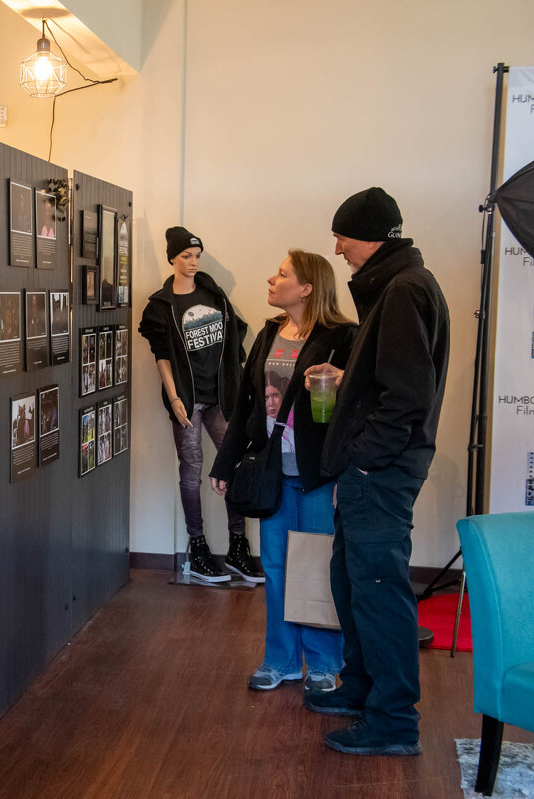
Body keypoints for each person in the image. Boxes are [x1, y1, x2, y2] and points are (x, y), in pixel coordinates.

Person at [302, 187, 450, 757]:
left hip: (380, 471)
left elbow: (408, 397)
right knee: (354, 584)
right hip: (374, 468)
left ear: (369, 236)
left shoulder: (404, 289)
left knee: (381, 592)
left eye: (341, 235)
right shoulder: (395, 287)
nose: (336, 248)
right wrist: (347, 381)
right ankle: (362, 690)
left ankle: (393, 722)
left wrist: (362, 460)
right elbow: (392, 379)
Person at [211, 250, 357, 692]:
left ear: (307, 287)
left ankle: (326, 664)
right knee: (274, 566)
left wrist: (344, 473)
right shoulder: (270, 332)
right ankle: (281, 660)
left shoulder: (342, 335)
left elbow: (356, 407)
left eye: (283, 274)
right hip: (273, 470)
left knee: (315, 566)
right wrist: (225, 460)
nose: (272, 280)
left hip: (318, 474)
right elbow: (247, 406)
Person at [138, 227, 250, 582]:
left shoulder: (212, 293)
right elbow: (162, 355)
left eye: (197, 256)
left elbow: (234, 336)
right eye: (186, 256)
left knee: (232, 465)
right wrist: (174, 398)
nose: (192, 262)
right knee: (191, 471)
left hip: (220, 397)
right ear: (172, 257)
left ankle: (237, 546)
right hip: (187, 399)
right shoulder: (161, 305)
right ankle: (198, 545)